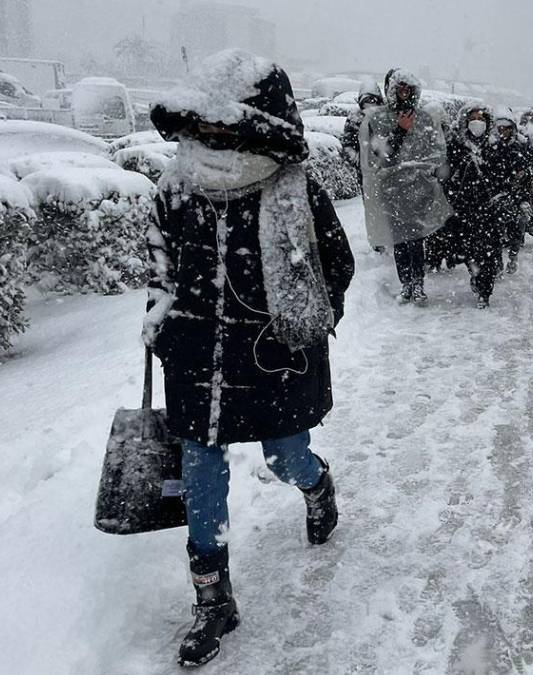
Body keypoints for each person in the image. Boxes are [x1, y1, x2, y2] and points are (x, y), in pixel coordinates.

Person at [145, 49, 355, 668]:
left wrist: (303, 328)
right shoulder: (175, 187)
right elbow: (159, 268)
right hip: (196, 358)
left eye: (222, 124)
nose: (209, 135)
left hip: (271, 358)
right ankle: (212, 600)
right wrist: (162, 324)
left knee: (284, 456)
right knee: (201, 473)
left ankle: (317, 486)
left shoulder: (293, 189)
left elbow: (334, 268)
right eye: (202, 124)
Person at [359, 69, 451, 305]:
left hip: (418, 189)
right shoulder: (379, 119)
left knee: (416, 239)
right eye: (400, 89)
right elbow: (380, 156)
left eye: (408, 89)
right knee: (399, 239)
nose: (404, 94)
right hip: (392, 189)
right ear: (392, 91)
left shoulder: (425, 118)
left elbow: (436, 151)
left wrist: (429, 174)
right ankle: (406, 284)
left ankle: (418, 285)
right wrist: (400, 131)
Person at [444, 104, 508, 308]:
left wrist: (498, 196)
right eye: (472, 118)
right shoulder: (457, 146)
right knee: (469, 251)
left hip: (488, 210)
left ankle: (484, 291)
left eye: (481, 118)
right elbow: (448, 175)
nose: (477, 122)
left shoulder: (495, 147)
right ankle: (475, 274)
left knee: (487, 252)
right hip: (464, 209)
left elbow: (502, 176)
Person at [489, 109, 533, 275]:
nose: (503, 132)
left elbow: (527, 173)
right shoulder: (491, 148)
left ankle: (513, 257)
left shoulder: (520, 147)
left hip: (517, 195)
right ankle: (497, 263)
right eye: (500, 129)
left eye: (506, 128)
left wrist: (522, 195)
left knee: (517, 228)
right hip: (497, 196)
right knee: (495, 232)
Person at [341, 88, 384, 182]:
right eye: (367, 103)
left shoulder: (385, 117)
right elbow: (347, 144)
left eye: (373, 102)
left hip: (383, 168)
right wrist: (358, 160)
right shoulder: (355, 118)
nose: (370, 106)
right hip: (366, 170)